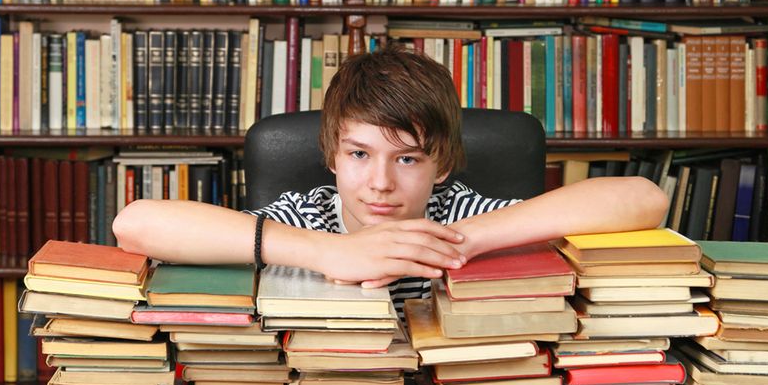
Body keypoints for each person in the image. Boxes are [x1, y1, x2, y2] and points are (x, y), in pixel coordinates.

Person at [113, 43, 669, 313]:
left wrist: (464, 241)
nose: (379, 182)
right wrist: (326, 252)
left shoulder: (462, 214)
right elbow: (135, 224)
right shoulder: (305, 218)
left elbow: (642, 199)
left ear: (443, 164)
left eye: (407, 159)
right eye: (359, 154)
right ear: (331, 154)